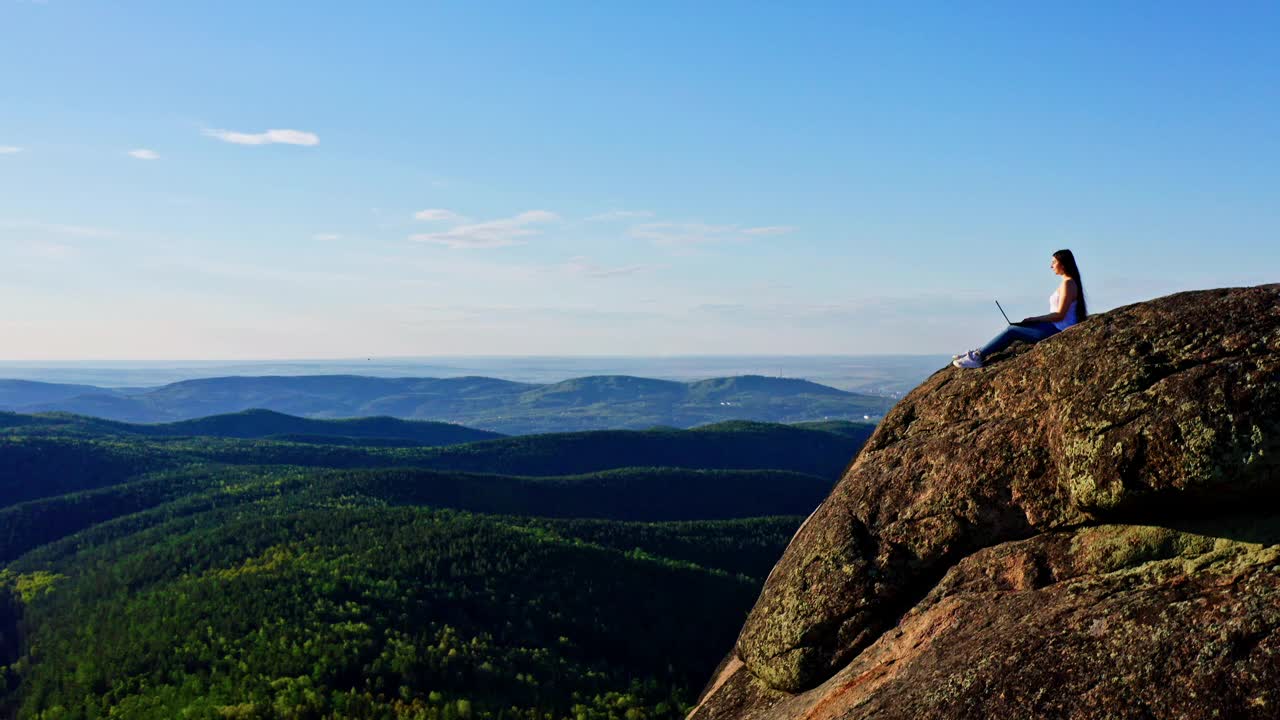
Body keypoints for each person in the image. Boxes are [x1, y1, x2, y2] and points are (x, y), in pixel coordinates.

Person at [953, 249, 1088, 369]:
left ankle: (978, 357)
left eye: (1054, 262)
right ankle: (979, 351)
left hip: (1058, 330)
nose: (1051, 266)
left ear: (1063, 264)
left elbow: (1060, 315)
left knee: (1011, 331)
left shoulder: (1068, 284)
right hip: (1053, 327)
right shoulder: (1067, 283)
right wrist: (1034, 321)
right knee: (1015, 329)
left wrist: (1035, 319)